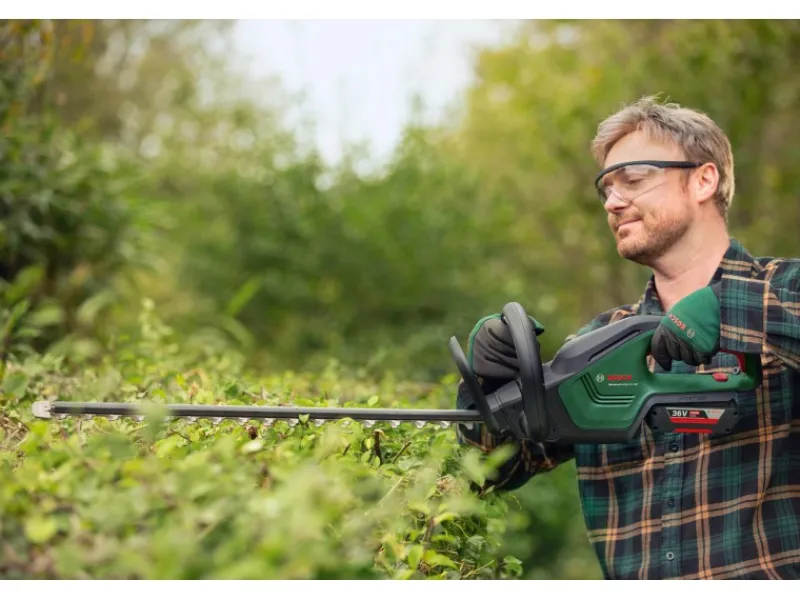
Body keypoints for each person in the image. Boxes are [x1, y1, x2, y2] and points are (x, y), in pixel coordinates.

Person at [456, 95, 800, 580]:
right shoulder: (599, 342)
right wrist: (490, 390)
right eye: (607, 188)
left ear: (703, 180)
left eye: (634, 180)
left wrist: (727, 308)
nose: (613, 202)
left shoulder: (788, 289)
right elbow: (491, 471)